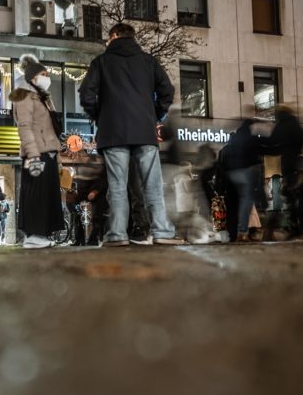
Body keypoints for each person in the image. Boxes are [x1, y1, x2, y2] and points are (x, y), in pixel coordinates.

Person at [78, 23, 184, 246]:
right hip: (144, 132)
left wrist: (101, 116)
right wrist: (154, 115)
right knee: (152, 185)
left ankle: (117, 235)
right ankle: (162, 232)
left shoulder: (102, 62)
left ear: (114, 36)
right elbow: (167, 91)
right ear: (132, 37)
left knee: (117, 187)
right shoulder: (148, 61)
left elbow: (86, 94)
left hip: (114, 133)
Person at [12, 54, 64, 249]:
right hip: (36, 152)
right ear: (33, 78)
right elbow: (24, 126)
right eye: (44, 73)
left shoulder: (42, 97)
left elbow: (50, 129)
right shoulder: (24, 96)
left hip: (47, 152)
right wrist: (32, 153)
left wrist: (56, 155)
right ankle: (34, 234)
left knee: (46, 194)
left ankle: (42, 233)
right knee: (36, 193)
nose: (47, 76)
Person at [259, 105, 303, 239]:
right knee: (293, 195)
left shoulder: (283, 125)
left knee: (289, 195)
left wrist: (259, 146)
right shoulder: (295, 123)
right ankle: (299, 224)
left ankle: (294, 225)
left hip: (288, 163)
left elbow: (273, 142)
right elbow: (301, 139)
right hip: (295, 162)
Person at [218, 119, 265, 242]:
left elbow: (221, 168)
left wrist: (221, 186)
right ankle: (242, 231)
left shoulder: (225, 149)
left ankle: (236, 233)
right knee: (246, 202)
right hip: (245, 173)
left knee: (234, 207)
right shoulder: (250, 139)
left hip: (231, 180)